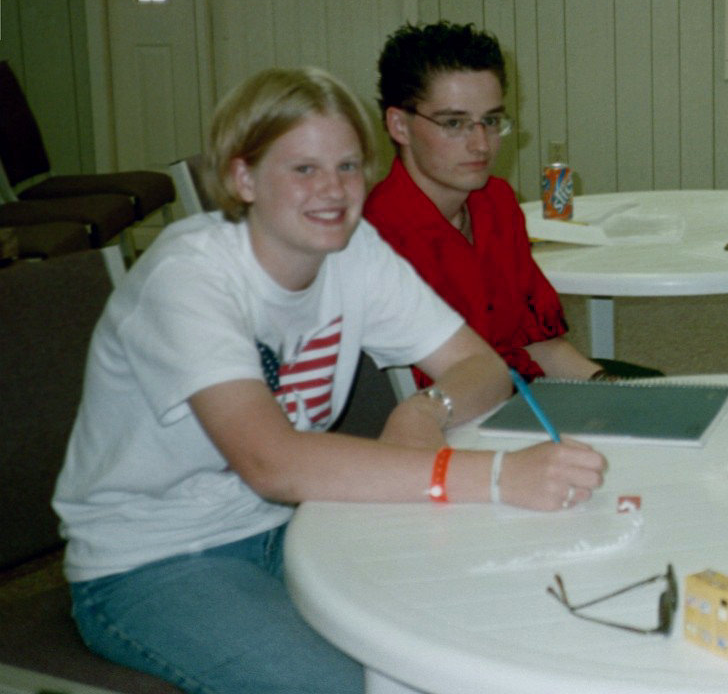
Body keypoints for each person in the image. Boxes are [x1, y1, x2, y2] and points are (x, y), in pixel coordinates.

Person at [53, 67, 606, 694]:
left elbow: (482, 368)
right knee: (362, 686)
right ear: (243, 178)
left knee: (485, 620)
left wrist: (425, 409)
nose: (333, 191)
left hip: (295, 523)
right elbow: (271, 462)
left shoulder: (352, 249)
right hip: (152, 561)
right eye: (304, 169)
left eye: (347, 167)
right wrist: (501, 476)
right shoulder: (189, 277)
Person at [365, 21, 659, 388]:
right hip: (459, 412)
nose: (481, 144)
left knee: (658, 393)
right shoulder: (376, 240)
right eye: (454, 123)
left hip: (525, 390)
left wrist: (607, 388)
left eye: (490, 120)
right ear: (399, 125)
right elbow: (426, 395)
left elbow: (539, 343)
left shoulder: (497, 201)